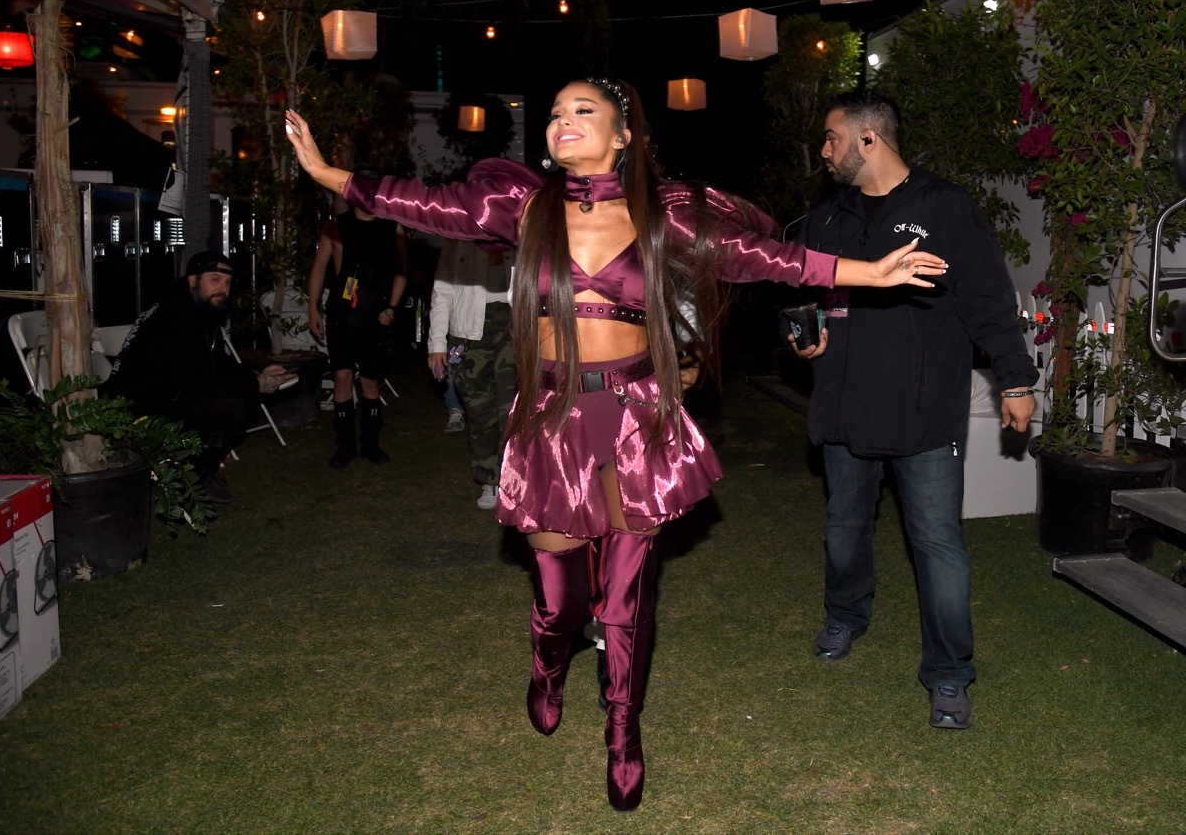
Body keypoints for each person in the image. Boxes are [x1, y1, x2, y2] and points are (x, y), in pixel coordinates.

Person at [285, 79, 944, 812]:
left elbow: (768, 259)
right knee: (561, 603)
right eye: (557, 112)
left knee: (628, 599)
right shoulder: (524, 207)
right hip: (553, 416)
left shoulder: (663, 216)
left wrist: (870, 273)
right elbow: (422, 202)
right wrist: (330, 176)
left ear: (623, 135)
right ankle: (548, 666)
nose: (563, 121)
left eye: (583, 111)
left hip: (636, 416)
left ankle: (624, 731)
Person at [791, 90, 1038, 730]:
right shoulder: (827, 216)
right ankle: (846, 616)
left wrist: (1015, 382)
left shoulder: (945, 207)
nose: (824, 150)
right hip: (844, 407)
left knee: (937, 543)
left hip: (923, 412)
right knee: (845, 528)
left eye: (831, 138)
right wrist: (805, 330)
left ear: (869, 139)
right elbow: (808, 295)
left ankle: (950, 674)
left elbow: (988, 299)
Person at [101, 250, 295, 503]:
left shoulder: (196, 308)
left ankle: (199, 472)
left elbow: (214, 363)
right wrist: (255, 383)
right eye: (215, 280)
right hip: (134, 408)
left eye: (227, 283)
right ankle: (191, 479)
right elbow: (197, 381)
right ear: (193, 280)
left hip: (163, 396)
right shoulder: (176, 315)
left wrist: (255, 374)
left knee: (239, 395)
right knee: (231, 407)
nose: (223, 289)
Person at [306, 166, 408, 468]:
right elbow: (319, 269)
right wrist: (313, 306)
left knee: (370, 382)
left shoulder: (392, 226)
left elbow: (402, 271)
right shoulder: (334, 227)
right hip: (341, 313)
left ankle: (372, 445)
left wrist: (392, 307)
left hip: (376, 315)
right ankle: (345, 446)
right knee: (341, 377)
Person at [428, 238, 517, 510]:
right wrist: (437, 344)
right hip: (467, 333)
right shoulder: (457, 241)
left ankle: (512, 479)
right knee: (479, 411)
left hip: (513, 328)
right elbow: (442, 293)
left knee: (511, 409)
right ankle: (488, 478)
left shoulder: (518, 233)